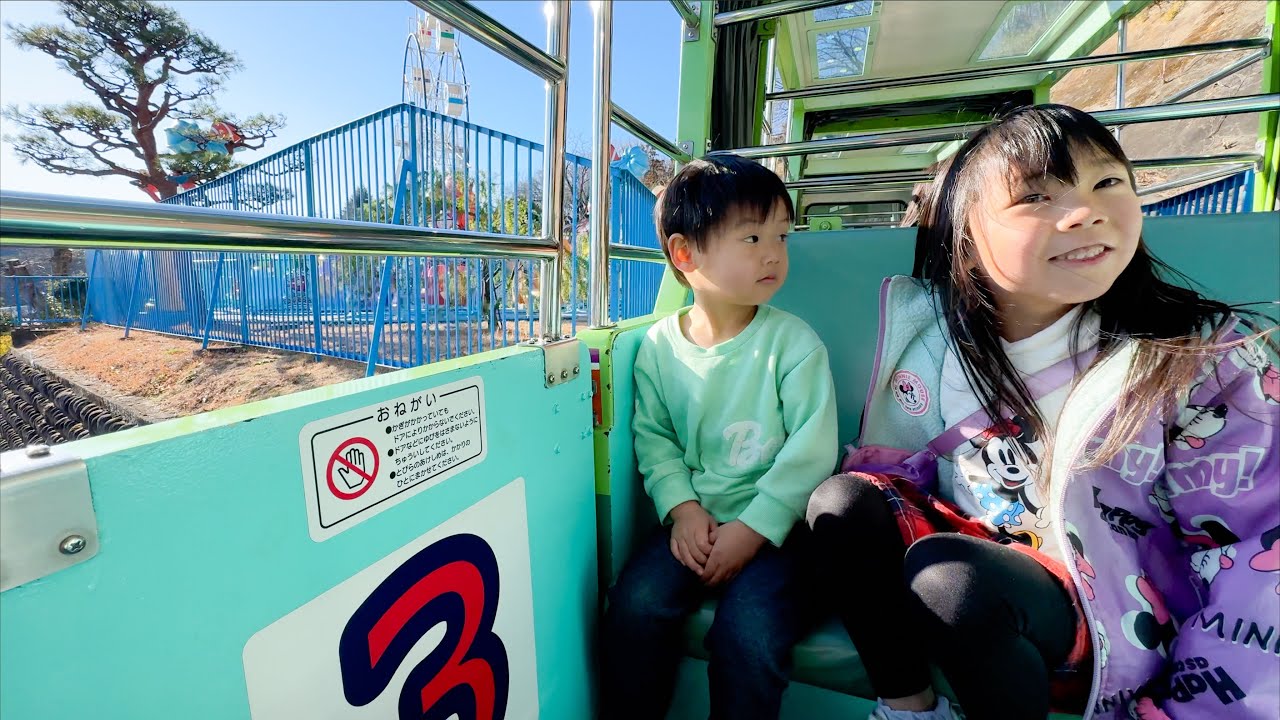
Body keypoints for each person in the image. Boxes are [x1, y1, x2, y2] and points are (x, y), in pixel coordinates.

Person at [806, 105, 1279, 720]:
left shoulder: (1202, 359)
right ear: (966, 241)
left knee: (950, 581)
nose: (1085, 211)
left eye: (1107, 182)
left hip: (1113, 609)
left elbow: (1256, 547)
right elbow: (908, 475)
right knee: (842, 503)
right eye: (1037, 196)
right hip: (993, 552)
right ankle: (909, 710)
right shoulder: (943, 351)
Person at [601, 154, 839, 719]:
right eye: (752, 237)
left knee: (750, 634)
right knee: (634, 608)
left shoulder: (793, 344)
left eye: (781, 236)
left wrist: (753, 531)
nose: (773, 254)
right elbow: (654, 440)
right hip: (695, 523)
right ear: (685, 254)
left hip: (779, 532)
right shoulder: (657, 349)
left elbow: (812, 452)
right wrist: (682, 510)